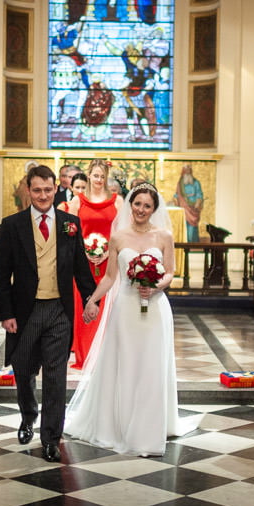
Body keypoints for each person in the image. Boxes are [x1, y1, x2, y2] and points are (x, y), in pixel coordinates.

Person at [65, 183, 199, 456]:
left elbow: (171, 272)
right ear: (131, 205)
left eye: (147, 206)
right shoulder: (118, 237)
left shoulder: (164, 236)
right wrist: (92, 300)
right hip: (125, 308)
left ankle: (147, 428)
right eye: (137, 204)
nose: (141, 209)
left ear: (154, 209)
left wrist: (156, 285)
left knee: (151, 367)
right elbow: (111, 277)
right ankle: (119, 425)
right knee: (123, 365)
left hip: (155, 310)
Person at [0, 165, 96, 463]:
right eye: (37, 190)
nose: (42, 195)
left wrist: (90, 298)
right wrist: (6, 313)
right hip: (25, 312)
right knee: (23, 371)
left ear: (56, 189)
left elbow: (81, 267)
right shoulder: (12, 226)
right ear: (29, 189)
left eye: (48, 190)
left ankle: (51, 438)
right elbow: (2, 275)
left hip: (59, 311)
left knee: (56, 376)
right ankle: (28, 415)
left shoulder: (69, 223)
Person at [67, 159, 124, 369]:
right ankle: (85, 354)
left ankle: (105, 356)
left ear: (106, 177)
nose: (99, 180)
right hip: (83, 264)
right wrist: (85, 252)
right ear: (88, 175)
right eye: (95, 175)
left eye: (102, 176)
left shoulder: (117, 201)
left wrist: (108, 251)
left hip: (110, 264)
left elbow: (123, 232)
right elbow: (70, 231)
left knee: (109, 309)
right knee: (85, 305)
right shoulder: (77, 201)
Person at [174, 164, 204, 242]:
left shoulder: (196, 182)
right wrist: (175, 199)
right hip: (183, 207)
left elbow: (199, 194)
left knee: (192, 227)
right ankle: (184, 243)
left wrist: (198, 202)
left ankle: (192, 243)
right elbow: (176, 194)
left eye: (189, 171)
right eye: (186, 171)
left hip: (193, 207)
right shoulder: (180, 183)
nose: (187, 173)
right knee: (184, 225)